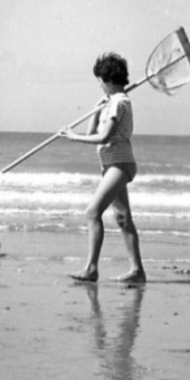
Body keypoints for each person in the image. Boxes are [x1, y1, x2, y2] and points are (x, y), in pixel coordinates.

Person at [58, 52, 145, 283]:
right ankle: (137, 271)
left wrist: (73, 137)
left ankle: (91, 268)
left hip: (119, 164)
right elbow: (92, 133)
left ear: (107, 79)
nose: (99, 85)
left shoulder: (119, 102)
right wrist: (96, 111)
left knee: (92, 212)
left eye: (99, 80)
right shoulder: (112, 103)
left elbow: (104, 137)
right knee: (123, 218)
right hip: (111, 165)